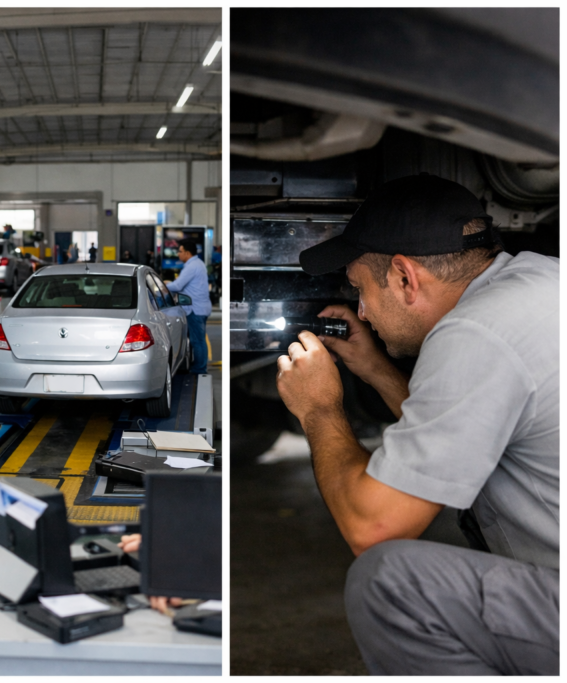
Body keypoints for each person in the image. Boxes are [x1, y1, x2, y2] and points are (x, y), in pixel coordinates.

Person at [276, 174, 558, 675]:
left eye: (361, 288)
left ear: (405, 277)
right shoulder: (539, 284)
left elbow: (374, 526)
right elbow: (465, 432)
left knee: (389, 581)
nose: (361, 310)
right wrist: (375, 369)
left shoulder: (474, 332)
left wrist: (318, 409)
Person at [164, 239, 211, 375]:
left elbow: (178, 286)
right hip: (199, 308)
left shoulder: (192, 266)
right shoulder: (198, 264)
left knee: (198, 341)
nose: (178, 254)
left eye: (180, 251)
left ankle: (199, 369)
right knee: (199, 340)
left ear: (188, 253)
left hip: (195, 309)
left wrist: (163, 285)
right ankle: (198, 367)